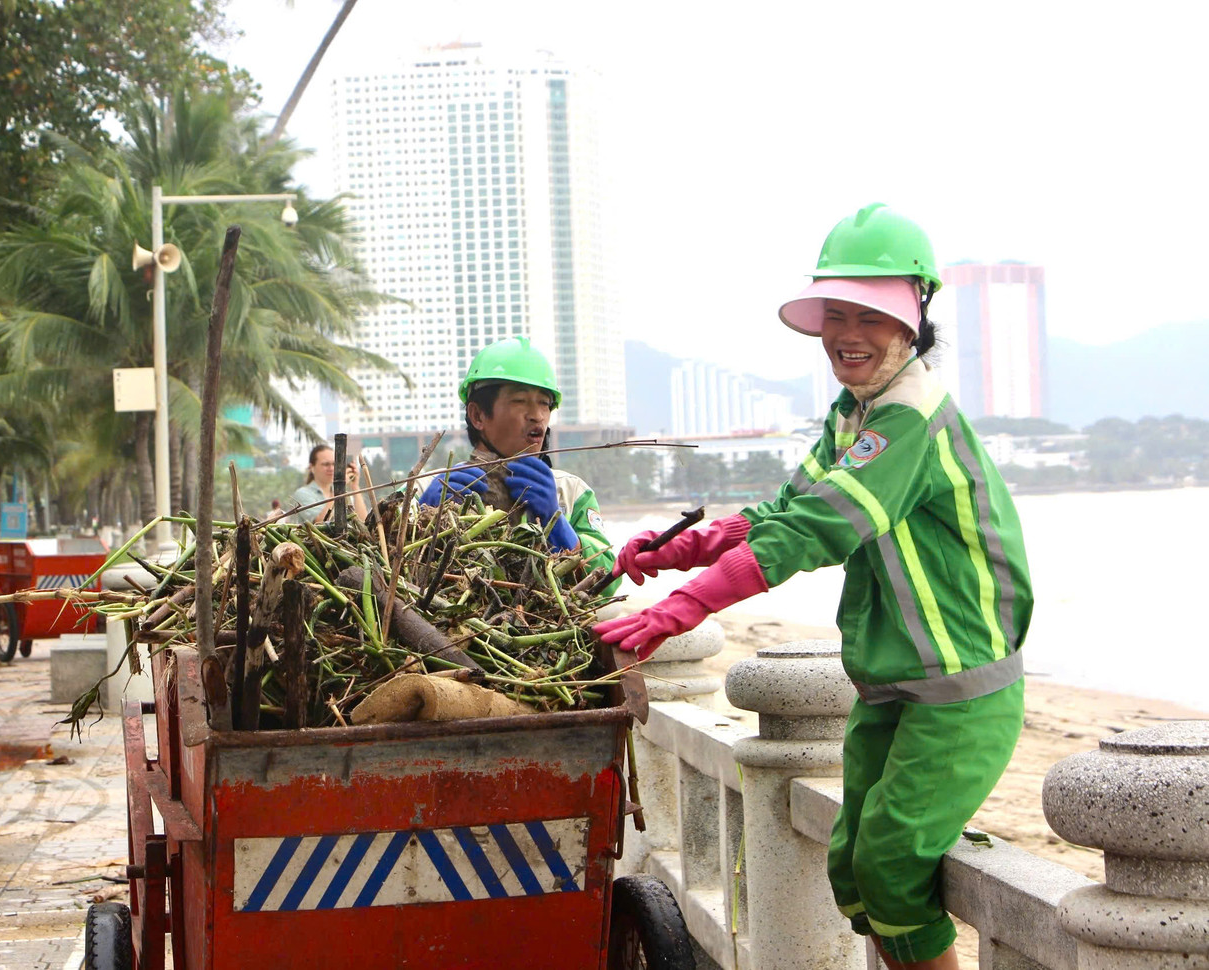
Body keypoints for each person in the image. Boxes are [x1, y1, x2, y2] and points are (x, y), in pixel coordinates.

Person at [595, 204, 1032, 970]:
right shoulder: (853, 416)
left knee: (892, 869)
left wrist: (688, 605)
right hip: (891, 683)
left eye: (870, 314)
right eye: (836, 312)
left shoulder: (910, 421)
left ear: (913, 319)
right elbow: (786, 511)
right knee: (855, 876)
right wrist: (680, 552)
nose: (846, 332)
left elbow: (816, 531)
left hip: (960, 689)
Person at [418, 335, 615, 582]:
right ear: (478, 414)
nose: (537, 416)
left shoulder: (571, 493)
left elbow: (609, 581)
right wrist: (422, 515)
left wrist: (558, 526)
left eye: (545, 404)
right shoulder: (428, 486)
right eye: (520, 401)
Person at [287, 444, 369, 525]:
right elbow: (320, 522)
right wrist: (340, 486)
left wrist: (355, 486)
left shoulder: (344, 494)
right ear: (312, 467)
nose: (331, 468)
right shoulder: (303, 494)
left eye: (334, 464)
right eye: (326, 464)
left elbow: (364, 522)